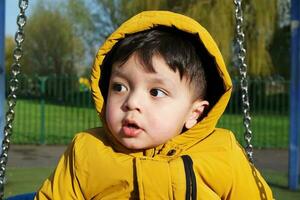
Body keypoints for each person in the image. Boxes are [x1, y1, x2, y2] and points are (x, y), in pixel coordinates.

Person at [35, 11, 273, 199]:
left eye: (156, 92)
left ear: (195, 113)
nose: (132, 103)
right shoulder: (86, 151)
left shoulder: (222, 152)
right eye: (119, 87)